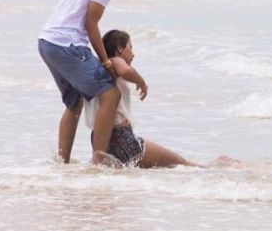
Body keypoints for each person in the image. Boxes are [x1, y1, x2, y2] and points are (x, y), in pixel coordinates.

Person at [38, 0, 146, 164]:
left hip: (47, 42)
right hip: (67, 44)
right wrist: (105, 60)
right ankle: (99, 159)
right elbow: (91, 22)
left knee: (74, 102)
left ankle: (62, 161)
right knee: (111, 93)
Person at [84, 30, 199, 168]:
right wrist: (141, 82)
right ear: (119, 48)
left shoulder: (96, 70)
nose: (133, 54)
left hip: (100, 139)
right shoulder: (115, 61)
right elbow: (125, 71)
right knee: (183, 164)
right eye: (130, 47)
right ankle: (220, 169)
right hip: (122, 139)